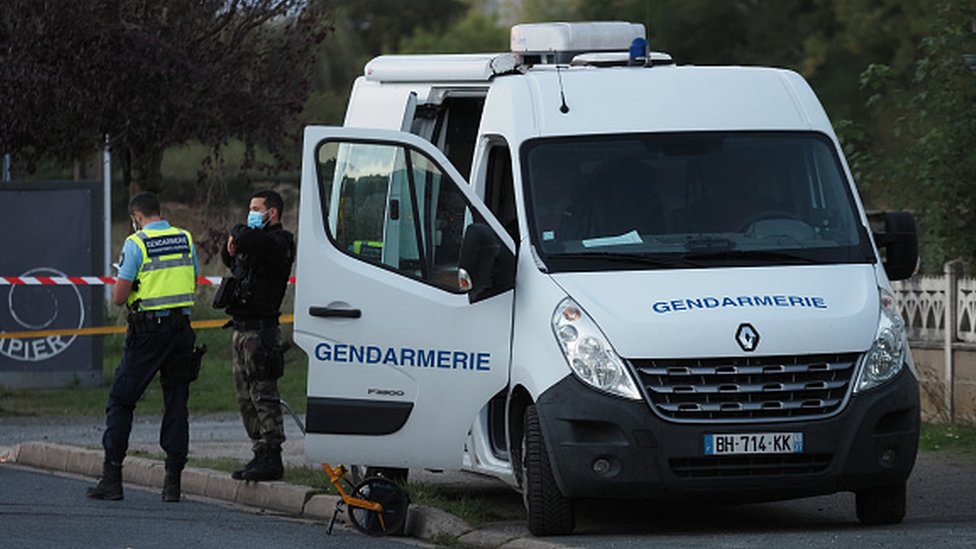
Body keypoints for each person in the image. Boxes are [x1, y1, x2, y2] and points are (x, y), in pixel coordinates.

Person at [87, 192, 201, 503]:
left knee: (121, 401)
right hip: (181, 331)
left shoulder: (135, 244)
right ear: (158, 212)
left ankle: (112, 478)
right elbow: (192, 282)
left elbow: (119, 297)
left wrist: (133, 283)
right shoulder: (184, 238)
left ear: (136, 217)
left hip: (147, 334)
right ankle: (173, 483)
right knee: (177, 401)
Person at [216, 189, 295, 482]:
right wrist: (230, 247)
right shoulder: (254, 243)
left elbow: (248, 238)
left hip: (261, 334)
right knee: (245, 398)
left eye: (255, 208)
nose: (250, 213)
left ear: (271, 212)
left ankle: (273, 454)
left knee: (263, 394)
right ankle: (259, 451)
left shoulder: (279, 242)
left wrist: (238, 233)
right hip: (241, 329)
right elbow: (234, 261)